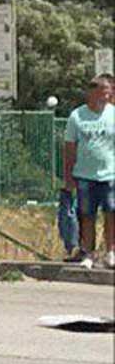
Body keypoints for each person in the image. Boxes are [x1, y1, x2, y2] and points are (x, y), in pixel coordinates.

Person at [62, 74, 115, 269]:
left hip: (110, 175)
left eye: (109, 92)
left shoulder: (113, 113)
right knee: (87, 216)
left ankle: (111, 252)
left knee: (111, 213)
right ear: (92, 92)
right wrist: (68, 178)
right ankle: (89, 254)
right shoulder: (77, 116)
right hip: (84, 176)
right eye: (104, 91)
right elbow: (69, 148)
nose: (107, 96)